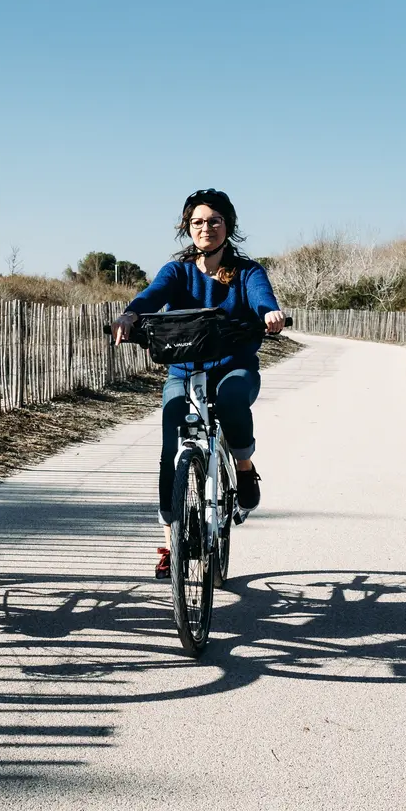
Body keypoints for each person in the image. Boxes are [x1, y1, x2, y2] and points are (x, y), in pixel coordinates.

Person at [112, 189, 284, 578]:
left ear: (228, 226)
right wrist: (130, 315)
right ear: (187, 227)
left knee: (232, 399)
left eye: (215, 221)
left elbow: (261, 297)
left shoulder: (247, 272)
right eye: (198, 222)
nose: (207, 228)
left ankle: (243, 467)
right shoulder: (178, 271)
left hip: (233, 367)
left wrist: (269, 313)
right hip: (184, 372)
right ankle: (171, 541)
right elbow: (152, 296)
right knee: (171, 444)